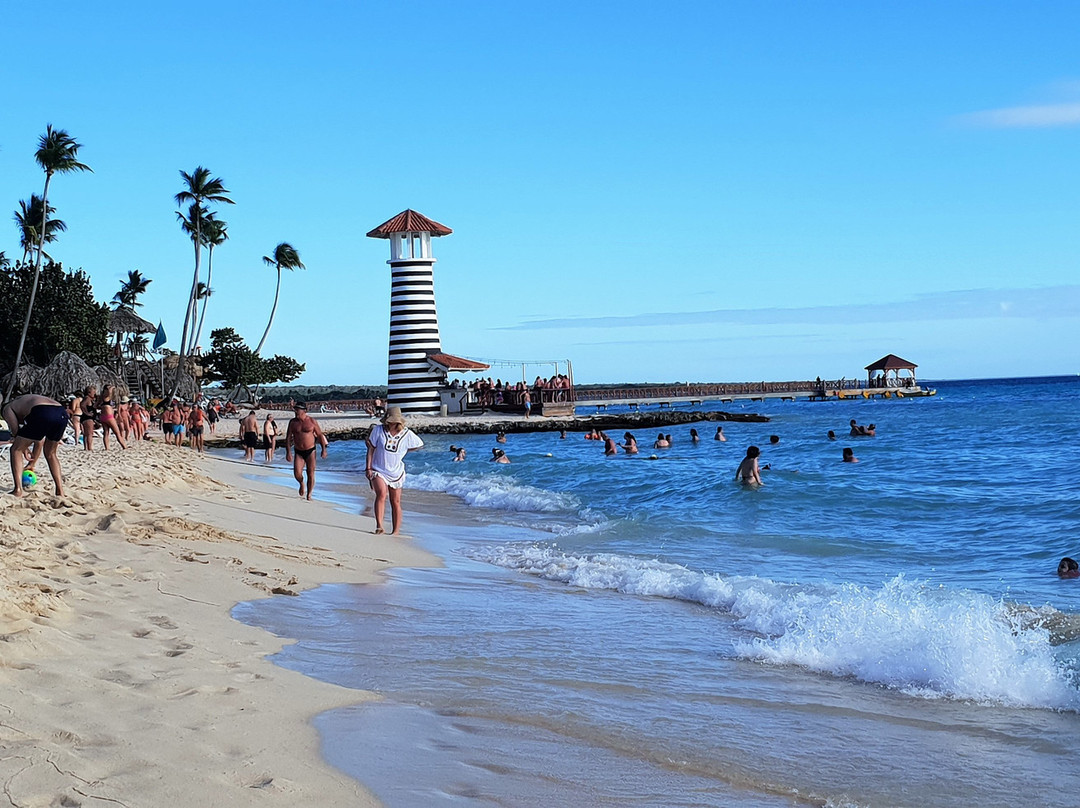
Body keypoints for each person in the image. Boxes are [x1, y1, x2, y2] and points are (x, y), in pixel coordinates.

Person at [365, 406, 422, 534]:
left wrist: (404, 450)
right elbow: (371, 449)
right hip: (378, 468)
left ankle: (395, 531)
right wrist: (368, 467)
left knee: (395, 501)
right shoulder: (378, 430)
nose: (391, 423)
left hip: (396, 471)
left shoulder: (407, 434)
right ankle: (379, 526)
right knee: (381, 494)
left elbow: (419, 444)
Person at [3, 394, 69, 498]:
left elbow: (15, 431)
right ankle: (60, 491)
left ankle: (18, 490)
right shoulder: (26, 401)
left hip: (42, 411)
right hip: (61, 412)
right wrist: (30, 457)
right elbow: (39, 440)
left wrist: (23, 448)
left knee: (15, 450)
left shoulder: (7, 408)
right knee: (51, 454)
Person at [285, 402, 329, 500]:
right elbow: (288, 438)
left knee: (310, 473)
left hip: (311, 450)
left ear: (304, 410)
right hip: (298, 451)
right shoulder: (292, 422)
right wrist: (288, 452)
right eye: (295, 409)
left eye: (298, 410)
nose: (296, 412)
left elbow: (320, 435)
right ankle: (301, 483)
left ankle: (309, 494)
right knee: (297, 474)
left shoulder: (312, 421)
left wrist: (323, 450)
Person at [97, 386, 127, 450]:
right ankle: (124, 446)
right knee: (117, 433)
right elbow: (110, 393)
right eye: (107, 389)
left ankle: (107, 448)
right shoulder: (106, 396)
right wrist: (112, 387)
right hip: (109, 417)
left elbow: (95, 406)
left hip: (103, 416)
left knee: (106, 433)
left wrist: (103, 407)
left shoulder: (100, 398)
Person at [80, 385, 98, 451]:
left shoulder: (87, 398)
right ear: (89, 392)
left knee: (86, 433)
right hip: (87, 418)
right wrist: (87, 413)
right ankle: (89, 447)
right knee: (90, 433)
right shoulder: (87, 398)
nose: (94, 393)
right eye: (93, 392)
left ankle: (86, 447)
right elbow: (82, 405)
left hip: (86, 417)